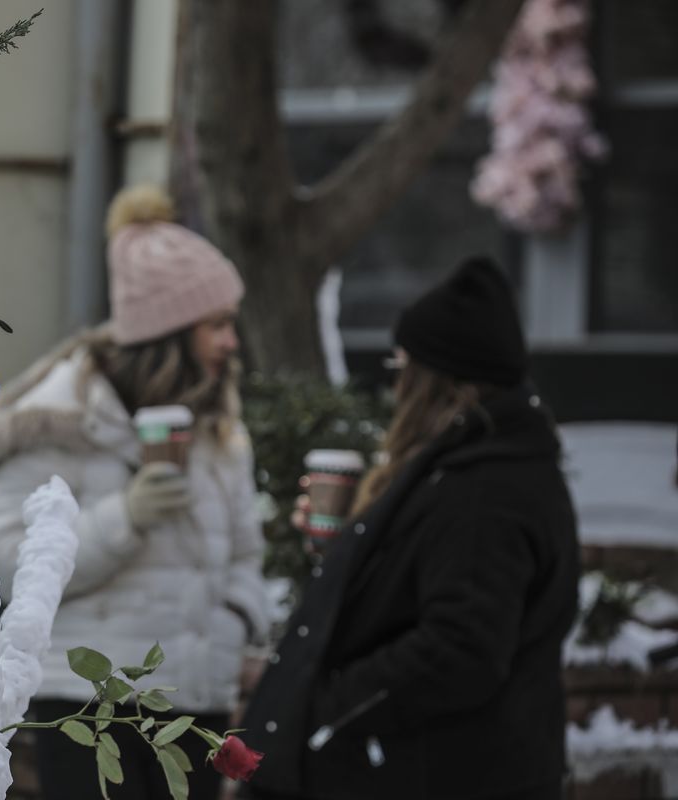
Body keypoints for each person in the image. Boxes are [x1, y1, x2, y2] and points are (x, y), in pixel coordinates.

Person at [0, 186, 270, 800]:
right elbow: (1, 561)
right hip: (89, 709)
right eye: (216, 325)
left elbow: (244, 555)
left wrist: (236, 625)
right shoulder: (63, 419)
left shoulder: (216, 425)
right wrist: (123, 518)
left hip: (194, 703)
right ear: (168, 332)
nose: (231, 342)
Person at [239, 256, 580, 800]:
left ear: (433, 382)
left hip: (440, 774)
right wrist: (350, 552)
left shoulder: (484, 491)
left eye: (400, 367)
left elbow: (461, 647)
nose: (393, 387)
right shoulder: (466, 469)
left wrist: (330, 709)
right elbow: (422, 594)